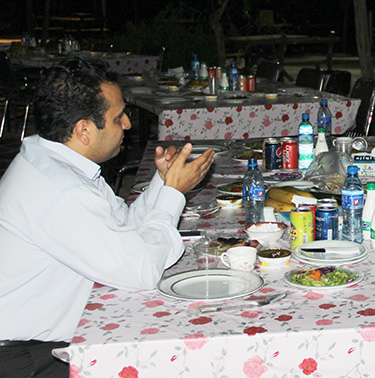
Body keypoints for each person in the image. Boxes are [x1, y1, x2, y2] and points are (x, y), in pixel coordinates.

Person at [0, 57, 214, 378]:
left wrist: (163, 182)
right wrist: (173, 193)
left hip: (38, 343)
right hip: (26, 359)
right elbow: (142, 270)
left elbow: (124, 226)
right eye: (118, 117)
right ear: (83, 130)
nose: (127, 124)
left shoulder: (56, 163)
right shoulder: (62, 190)